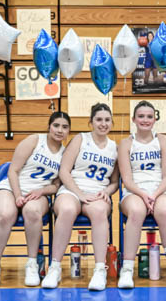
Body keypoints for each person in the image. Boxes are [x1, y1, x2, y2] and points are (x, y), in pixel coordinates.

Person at [0, 111, 70, 288]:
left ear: (69, 131)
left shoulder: (66, 154)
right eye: (56, 125)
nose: (60, 130)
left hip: (38, 193)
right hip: (11, 187)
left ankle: (32, 264)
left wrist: (42, 190)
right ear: (49, 126)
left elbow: (56, 185)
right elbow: (13, 170)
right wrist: (18, 196)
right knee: (5, 214)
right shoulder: (34, 140)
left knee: (32, 212)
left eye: (64, 127)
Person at [42, 103, 118, 291]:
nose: (103, 124)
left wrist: (107, 192)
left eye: (107, 120)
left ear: (112, 123)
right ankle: (55, 267)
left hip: (97, 193)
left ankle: (100, 269)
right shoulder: (80, 139)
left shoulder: (114, 148)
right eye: (98, 119)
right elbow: (64, 171)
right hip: (72, 189)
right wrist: (80, 194)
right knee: (67, 210)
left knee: (100, 212)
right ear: (91, 122)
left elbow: (115, 182)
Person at [117, 101, 166, 288]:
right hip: (134, 191)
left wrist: (154, 194)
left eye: (149, 116)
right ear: (133, 119)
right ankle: (127, 269)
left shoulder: (163, 141)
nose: (145, 120)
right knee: (136, 211)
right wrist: (143, 195)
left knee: (163, 210)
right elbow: (127, 179)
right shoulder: (125, 143)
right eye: (141, 116)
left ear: (155, 119)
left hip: (161, 190)